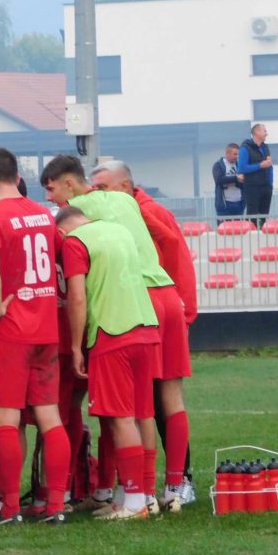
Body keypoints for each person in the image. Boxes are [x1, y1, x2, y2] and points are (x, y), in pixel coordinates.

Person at [41, 154, 187, 513]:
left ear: (69, 185)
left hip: (127, 302)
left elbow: (76, 292)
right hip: (163, 294)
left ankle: (128, 493)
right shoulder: (126, 200)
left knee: (118, 409)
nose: (51, 199)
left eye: (52, 189)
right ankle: (168, 488)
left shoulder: (73, 216)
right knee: (157, 402)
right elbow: (169, 238)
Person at [89, 161, 198, 505]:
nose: (95, 193)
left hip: (148, 305)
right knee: (147, 403)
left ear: (124, 187)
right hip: (152, 304)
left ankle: (163, 486)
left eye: (102, 187)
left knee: (147, 402)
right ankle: (150, 487)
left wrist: (186, 309)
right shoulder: (118, 212)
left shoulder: (148, 211)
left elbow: (176, 253)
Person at [0, 148, 70, 525]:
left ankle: (11, 507)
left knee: (6, 419)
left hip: (10, 331)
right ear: (17, 177)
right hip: (46, 327)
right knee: (50, 417)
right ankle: (57, 505)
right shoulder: (45, 216)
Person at [56, 205, 160, 521]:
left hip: (111, 333)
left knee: (120, 418)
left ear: (62, 231)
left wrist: (75, 346)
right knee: (143, 413)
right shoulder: (120, 230)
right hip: (145, 326)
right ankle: (144, 494)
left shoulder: (75, 242)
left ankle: (133, 502)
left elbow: (77, 297)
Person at [238, 124, 273, 228]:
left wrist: (270, 183)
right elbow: (242, 168)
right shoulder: (245, 148)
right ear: (256, 132)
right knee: (252, 214)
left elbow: (269, 165)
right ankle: (251, 236)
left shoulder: (265, 147)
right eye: (264, 131)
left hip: (266, 185)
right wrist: (260, 165)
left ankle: (262, 235)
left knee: (264, 214)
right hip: (252, 186)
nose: (267, 133)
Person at [213, 143, 245, 219]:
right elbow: (219, 180)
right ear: (227, 153)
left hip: (239, 203)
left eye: (238, 154)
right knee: (223, 229)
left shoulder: (239, 165)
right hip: (224, 204)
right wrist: (236, 178)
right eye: (235, 154)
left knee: (238, 229)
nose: (237, 157)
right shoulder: (218, 165)